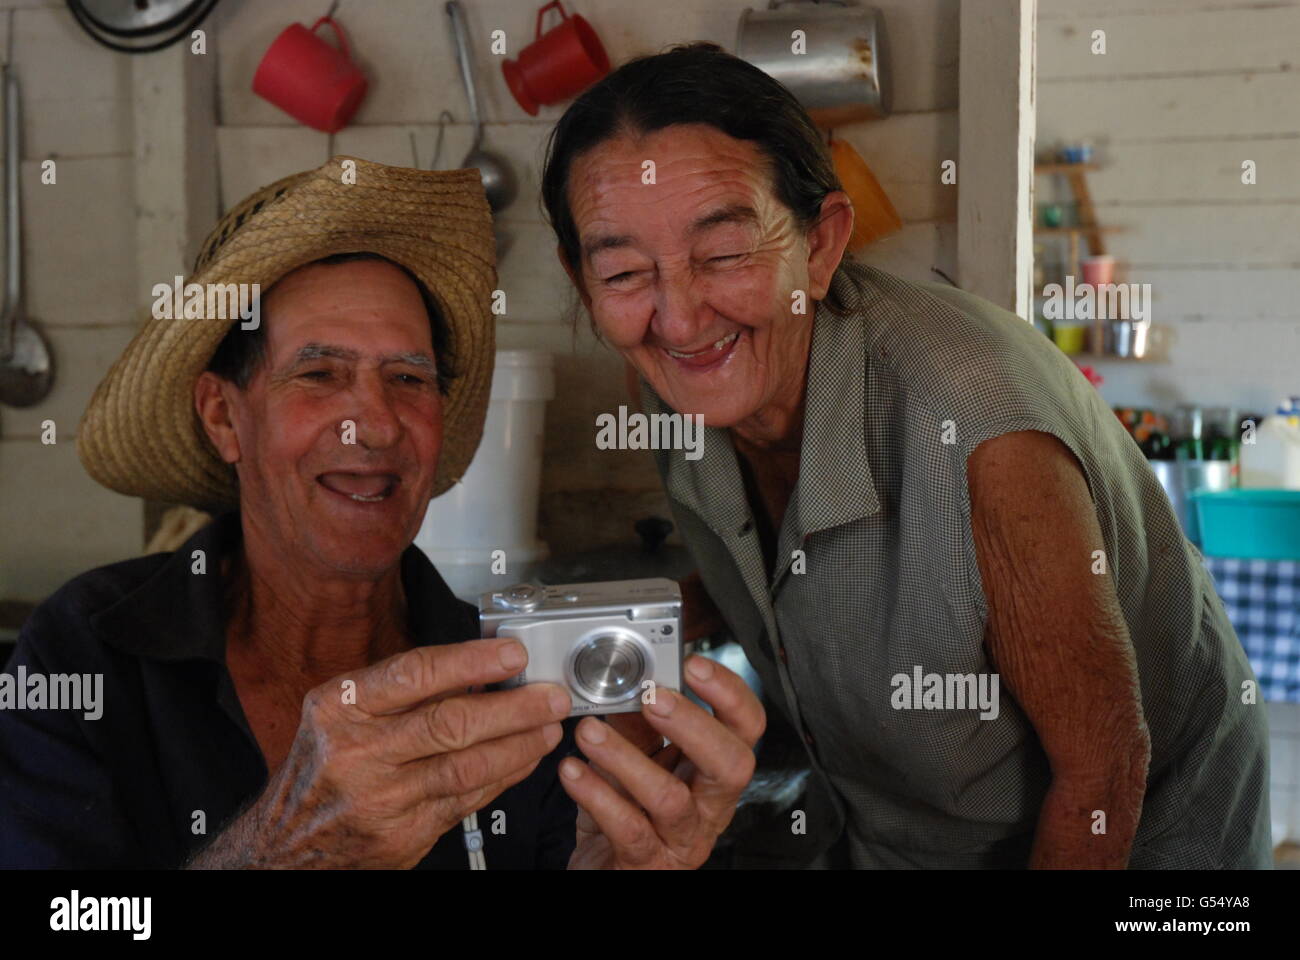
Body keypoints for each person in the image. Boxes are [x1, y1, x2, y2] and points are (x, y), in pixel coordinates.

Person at [540, 43, 1271, 868]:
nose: (677, 318)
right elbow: (796, 564)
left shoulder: (980, 427)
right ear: (582, 278)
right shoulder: (685, 384)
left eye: (724, 254)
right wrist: (655, 625)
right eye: (627, 271)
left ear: (820, 246)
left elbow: (1105, 770)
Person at [0, 157, 764, 870]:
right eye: (320, 373)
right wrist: (278, 850)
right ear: (224, 417)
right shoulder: (91, 652)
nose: (374, 424)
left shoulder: (519, 684)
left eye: (407, 377)